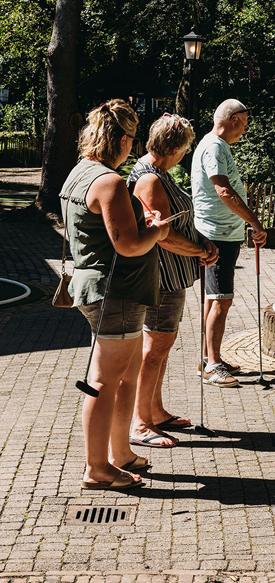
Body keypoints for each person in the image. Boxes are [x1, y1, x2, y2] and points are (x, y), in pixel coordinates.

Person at [59, 99, 170, 490]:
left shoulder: (78, 173)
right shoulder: (109, 182)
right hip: (115, 293)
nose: (134, 148)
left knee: (124, 377)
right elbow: (128, 245)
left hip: (100, 290)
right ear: (122, 138)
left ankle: (121, 454)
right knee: (105, 380)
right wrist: (158, 228)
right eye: (133, 139)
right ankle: (97, 468)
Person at [127, 113, 219, 447]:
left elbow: (177, 222)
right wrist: (198, 251)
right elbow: (162, 236)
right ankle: (139, 423)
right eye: (185, 147)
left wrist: (200, 241)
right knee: (155, 348)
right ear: (176, 148)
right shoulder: (150, 180)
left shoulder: (159, 173)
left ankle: (155, 411)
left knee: (161, 347)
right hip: (161, 276)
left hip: (171, 275)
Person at [191, 99, 267, 386]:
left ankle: (210, 358)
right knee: (222, 300)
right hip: (218, 235)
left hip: (222, 233)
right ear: (234, 119)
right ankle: (212, 367)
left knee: (214, 299)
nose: (244, 131)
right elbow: (223, 191)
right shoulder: (214, 146)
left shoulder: (216, 146)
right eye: (244, 123)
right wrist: (254, 222)